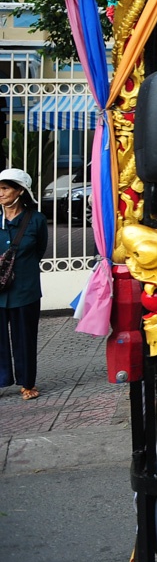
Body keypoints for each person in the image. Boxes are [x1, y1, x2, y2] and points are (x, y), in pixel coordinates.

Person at [0, 168, 49, 401]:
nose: (0, 193)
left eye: (5, 188)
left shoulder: (36, 219)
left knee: (25, 337)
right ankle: (1, 382)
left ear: (20, 191)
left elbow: (39, 250)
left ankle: (28, 383)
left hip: (26, 289)